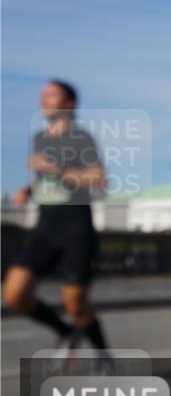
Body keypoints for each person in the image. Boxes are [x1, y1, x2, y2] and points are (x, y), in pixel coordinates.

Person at [2, 80, 112, 369]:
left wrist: (57, 168)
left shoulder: (80, 138)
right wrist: (29, 189)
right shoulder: (40, 138)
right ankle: (65, 332)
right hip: (45, 229)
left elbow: (99, 180)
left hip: (75, 229)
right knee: (14, 294)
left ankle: (104, 359)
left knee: (76, 304)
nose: (43, 100)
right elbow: (47, 181)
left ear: (69, 104)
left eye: (51, 95)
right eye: (42, 95)